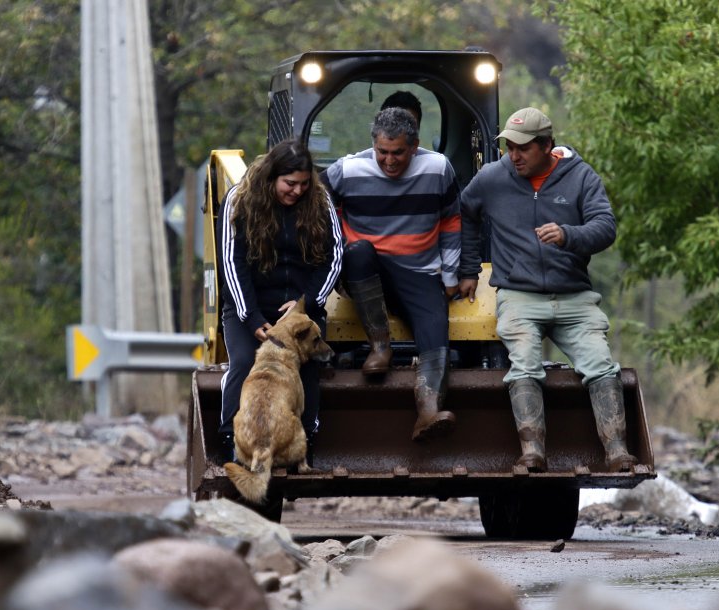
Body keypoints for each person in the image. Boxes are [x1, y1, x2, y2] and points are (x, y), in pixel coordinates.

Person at [458, 107, 637, 473]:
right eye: (509, 146)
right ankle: (532, 452)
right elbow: (465, 213)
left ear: (546, 145)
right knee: (524, 364)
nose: (514, 155)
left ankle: (617, 452)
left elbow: (606, 227)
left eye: (522, 148)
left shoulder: (580, 177)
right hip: (519, 295)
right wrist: (468, 268)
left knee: (601, 365)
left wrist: (569, 235)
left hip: (573, 295)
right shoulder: (492, 178)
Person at [324, 107, 461, 442]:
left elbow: (452, 221)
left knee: (434, 324)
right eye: (382, 152)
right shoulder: (346, 170)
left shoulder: (439, 168)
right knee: (359, 251)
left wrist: (451, 276)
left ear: (414, 146)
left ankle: (428, 409)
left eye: (398, 152)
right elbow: (317, 212)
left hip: (419, 269)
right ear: (373, 145)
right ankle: (380, 346)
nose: (389, 160)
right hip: (364, 270)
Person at [213, 139, 343, 463]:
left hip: (300, 306)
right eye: (289, 184)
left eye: (303, 184)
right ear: (271, 177)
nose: (297, 191)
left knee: (309, 365)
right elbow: (232, 263)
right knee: (244, 362)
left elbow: (335, 256)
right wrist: (251, 317)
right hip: (250, 305)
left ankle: (306, 437)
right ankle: (231, 438)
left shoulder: (320, 200)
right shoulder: (238, 201)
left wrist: (309, 301)